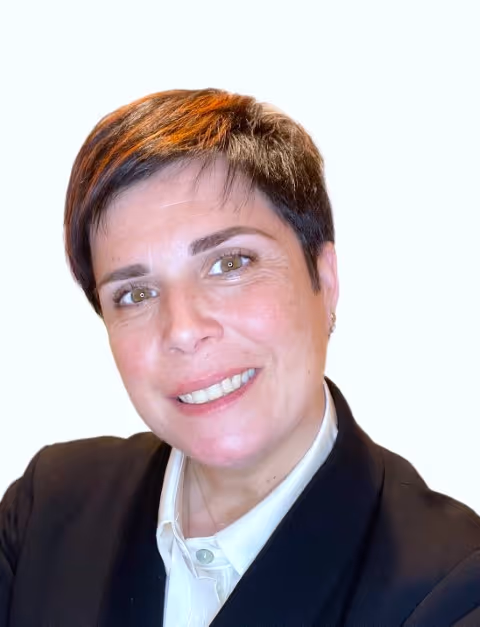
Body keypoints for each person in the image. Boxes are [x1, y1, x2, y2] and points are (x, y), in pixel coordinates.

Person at [1, 89, 479, 627]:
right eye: (135, 293)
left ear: (324, 279)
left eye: (230, 263)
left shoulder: (452, 592)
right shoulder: (46, 514)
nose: (184, 330)